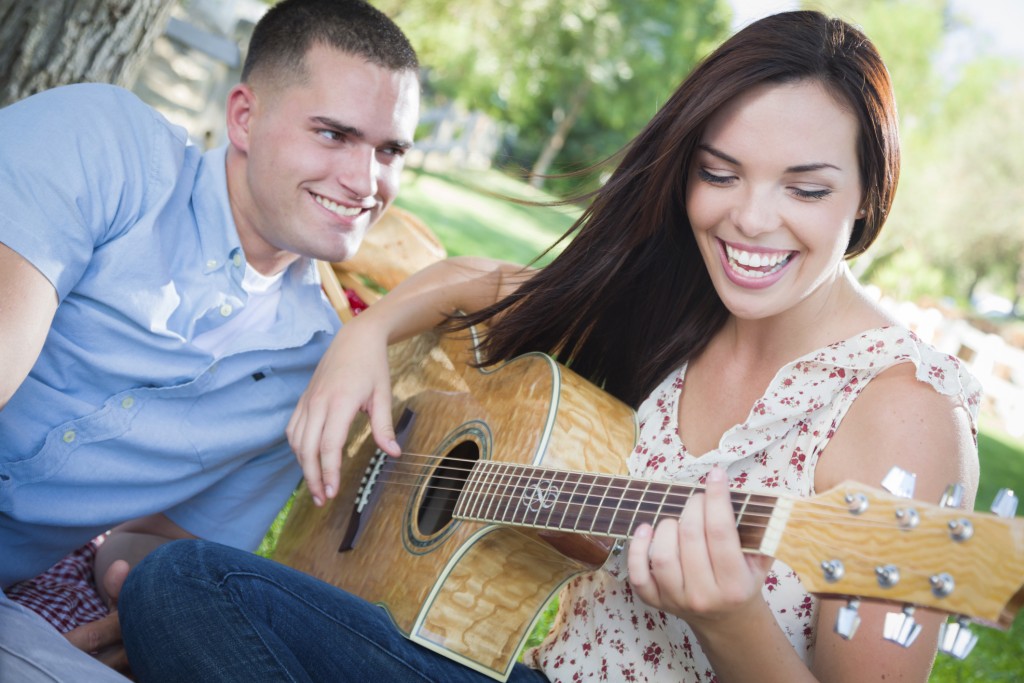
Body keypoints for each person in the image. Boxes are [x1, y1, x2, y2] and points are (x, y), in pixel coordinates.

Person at [119, 10, 981, 682]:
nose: (750, 219)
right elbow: (481, 279)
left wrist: (731, 620)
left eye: (805, 187)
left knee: (173, 594)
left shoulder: (904, 410)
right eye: (719, 173)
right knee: (191, 584)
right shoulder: (695, 304)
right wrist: (370, 334)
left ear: (868, 196)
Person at [0, 0, 419, 679]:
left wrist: (136, 591)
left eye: (390, 149)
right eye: (334, 134)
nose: (365, 181)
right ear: (244, 118)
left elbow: (159, 539)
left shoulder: (308, 372)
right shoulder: (102, 146)